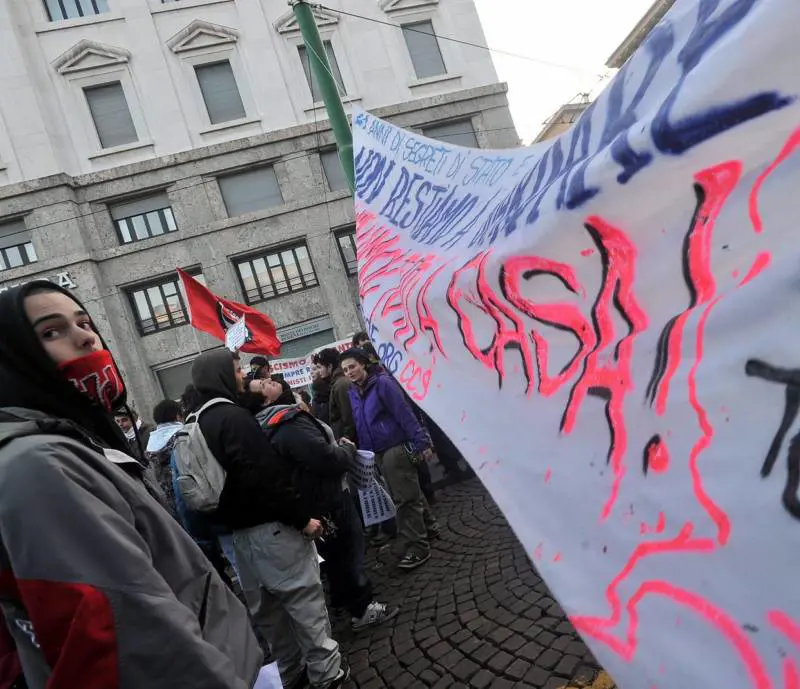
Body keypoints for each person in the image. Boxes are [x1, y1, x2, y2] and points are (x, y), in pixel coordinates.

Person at [0, 281, 262, 688]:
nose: (85, 338)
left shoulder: (72, 443)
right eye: (51, 331)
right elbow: (135, 639)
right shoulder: (38, 465)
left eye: (84, 322)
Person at [191, 350, 348, 689]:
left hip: (240, 536)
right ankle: (327, 674)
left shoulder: (199, 421)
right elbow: (265, 475)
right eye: (237, 371)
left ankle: (292, 674)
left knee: (270, 614)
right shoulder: (233, 418)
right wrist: (301, 519)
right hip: (273, 529)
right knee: (305, 603)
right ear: (221, 376)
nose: (243, 377)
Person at [256, 378, 399, 632]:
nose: (269, 379)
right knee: (348, 551)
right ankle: (362, 609)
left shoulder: (275, 422)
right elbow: (326, 459)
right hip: (327, 498)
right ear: (265, 400)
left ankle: (345, 600)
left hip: (315, 497)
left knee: (336, 556)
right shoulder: (287, 424)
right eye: (263, 384)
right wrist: (347, 451)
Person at [342, 348, 436, 570]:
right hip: (377, 451)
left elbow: (404, 413)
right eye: (345, 370)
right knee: (406, 492)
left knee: (405, 499)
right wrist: (366, 452)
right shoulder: (353, 390)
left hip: (395, 447)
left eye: (352, 366)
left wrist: (422, 442)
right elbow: (360, 422)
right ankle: (430, 528)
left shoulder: (383, 383)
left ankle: (418, 547)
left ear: (363, 363)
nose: (349, 372)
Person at [145, 399, 184, 516]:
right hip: (187, 492)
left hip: (165, 498)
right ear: (177, 415)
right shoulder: (182, 435)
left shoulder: (151, 440)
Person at [322, 349, 356, 442]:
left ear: (329, 366)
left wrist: (346, 441)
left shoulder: (341, 385)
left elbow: (348, 417)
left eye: (319, 367)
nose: (319, 371)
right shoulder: (335, 383)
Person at [310, 354, 332, 424]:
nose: (311, 372)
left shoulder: (331, 388)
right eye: (311, 370)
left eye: (315, 369)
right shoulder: (316, 391)